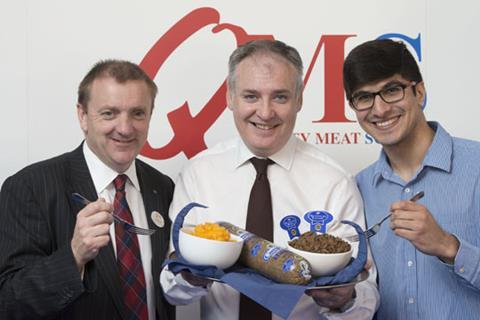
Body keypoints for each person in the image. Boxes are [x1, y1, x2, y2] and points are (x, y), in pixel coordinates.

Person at [160, 40, 379, 319]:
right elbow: (171, 289)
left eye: (280, 97)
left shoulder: (334, 181)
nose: (265, 113)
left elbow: (366, 293)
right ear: (230, 97)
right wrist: (190, 276)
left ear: (299, 100)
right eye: (251, 96)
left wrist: (346, 298)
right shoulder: (198, 173)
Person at [0, 60, 175, 320]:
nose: (125, 128)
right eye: (109, 113)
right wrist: (74, 256)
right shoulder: (30, 187)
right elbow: (8, 301)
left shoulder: (162, 186)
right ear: (82, 116)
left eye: (137, 113)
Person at [343, 39, 480, 319]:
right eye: (364, 97)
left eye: (392, 90)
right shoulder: (358, 188)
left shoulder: (476, 166)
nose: (379, 110)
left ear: (419, 91)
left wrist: (448, 247)